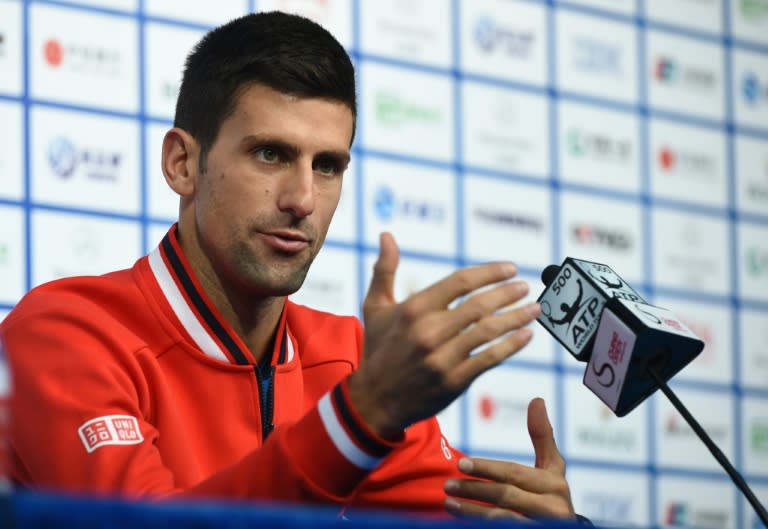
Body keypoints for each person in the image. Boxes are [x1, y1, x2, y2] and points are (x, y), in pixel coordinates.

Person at [2, 11, 582, 521]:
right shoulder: (63, 334)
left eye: (327, 165)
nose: (302, 198)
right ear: (182, 163)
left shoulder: (353, 358)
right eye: (270, 153)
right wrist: (362, 415)